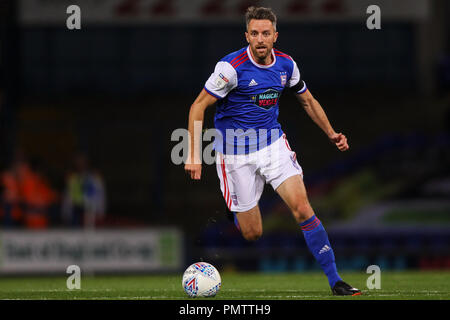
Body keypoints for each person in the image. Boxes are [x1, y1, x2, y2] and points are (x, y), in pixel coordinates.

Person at [184, 6, 361, 296]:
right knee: (252, 233)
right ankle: (237, 211)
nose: (260, 39)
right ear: (247, 36)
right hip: (234, 155)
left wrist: (331, 133)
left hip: (271, 144)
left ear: (275, 36)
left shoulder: (287, 66)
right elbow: (198, 106)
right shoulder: (230, 68)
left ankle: (335, 280)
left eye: (266, 33)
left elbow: (307, 100)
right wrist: (193, 154)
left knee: (303, 207)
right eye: (254, 33)